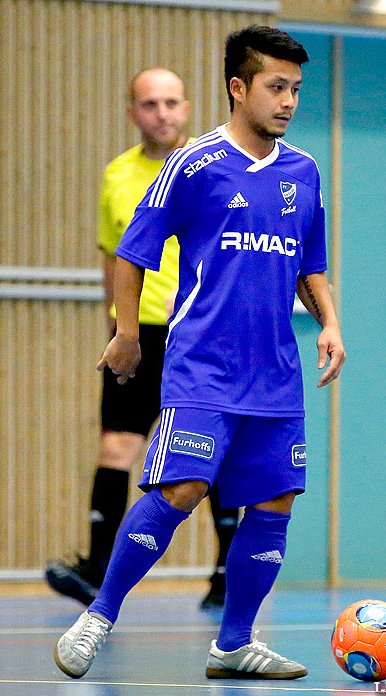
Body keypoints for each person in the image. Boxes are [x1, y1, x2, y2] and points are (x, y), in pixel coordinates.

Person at [53, 25, 345, 681]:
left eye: (296, 89)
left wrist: (329, 323)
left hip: (277, 377)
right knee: (181, 487)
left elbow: (311, 264)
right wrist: (126, 333)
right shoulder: (193, 165)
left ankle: (235, 643)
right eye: (276, 86)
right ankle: (98, 614)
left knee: (273, 504)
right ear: (238, 88)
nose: (289, 101)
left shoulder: (305, 171)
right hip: (203, 369)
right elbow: (133, 251)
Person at [44, 67, 238, 610]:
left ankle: (225, 572)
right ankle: (96, 569)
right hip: (139, 334)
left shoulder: (211, 168)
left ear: (187, 108)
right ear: (133, 112)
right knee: (117, 446)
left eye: (171, 102)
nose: (161, 113)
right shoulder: (117, 176)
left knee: (208, 451)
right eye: (150, 103)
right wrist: (117, 324)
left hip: (197, 331)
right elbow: (115, 252)